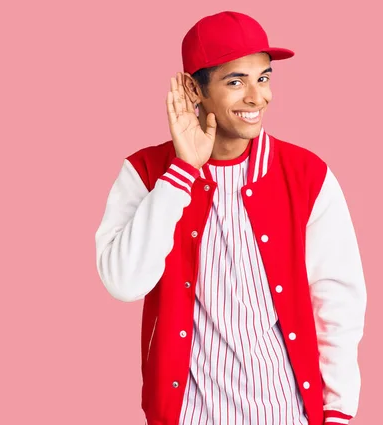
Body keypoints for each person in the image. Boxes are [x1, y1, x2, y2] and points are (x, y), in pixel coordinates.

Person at [95, 10, 367, 425]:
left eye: (264, 78)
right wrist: (182, 172)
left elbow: (339, 303)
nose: (257, 97)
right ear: (193, 88)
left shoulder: (308, 175)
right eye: (235, 81)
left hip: (286, 413)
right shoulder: (146, 174)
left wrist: (339, 411)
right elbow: (124, 282)